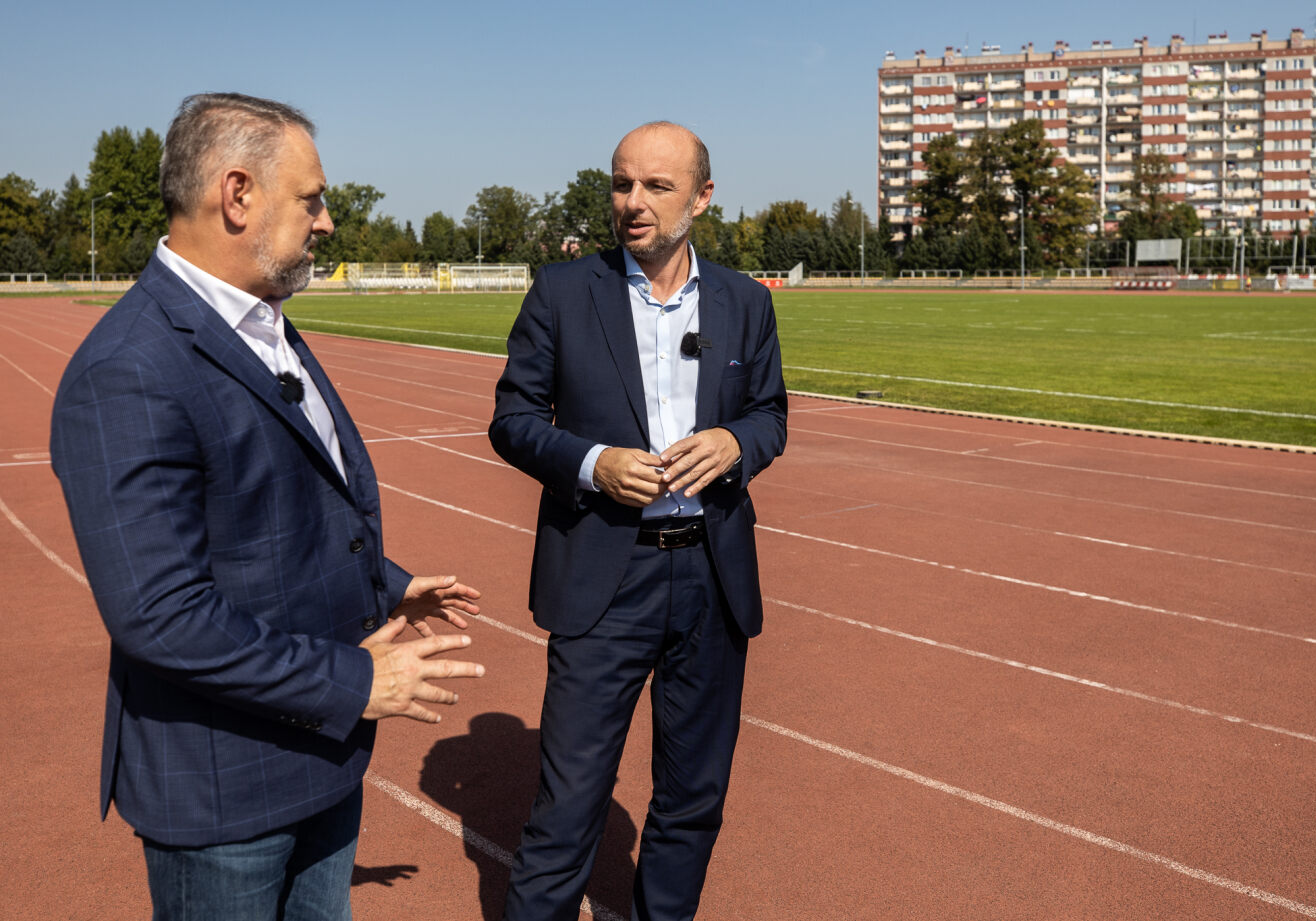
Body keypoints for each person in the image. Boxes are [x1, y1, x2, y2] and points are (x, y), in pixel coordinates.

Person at [49, 92, 485, 920]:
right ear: (237, 195)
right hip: (226, 792)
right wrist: (357, 676)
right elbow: (162, 615)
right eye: (312, 199)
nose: (326, 221)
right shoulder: (130, 369)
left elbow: (277, 510)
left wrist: (386, 584)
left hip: (320, 754)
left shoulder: (262, 322)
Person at [489, 121, 788, 921]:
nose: (634, 202)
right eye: (622, 184)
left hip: (710, 577)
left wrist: (734, 441)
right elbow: (512, 419)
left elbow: (770, 417)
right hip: (602, 575)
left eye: (656, 186)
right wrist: (593, 463)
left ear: (702, 197)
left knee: (693, 797)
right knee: (569, 804)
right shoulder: (561, 291)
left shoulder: (746, 302)